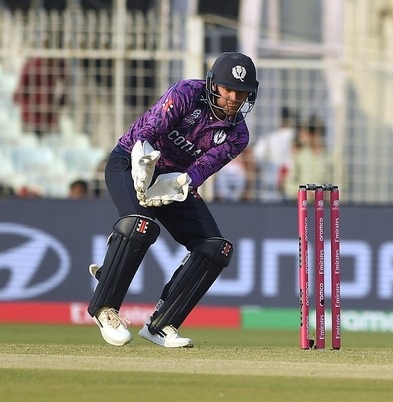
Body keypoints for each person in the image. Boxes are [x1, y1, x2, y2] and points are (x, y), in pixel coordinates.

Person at [86, 52, 259, 348]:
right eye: (228, 89)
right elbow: (147, 132)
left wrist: (181, 183)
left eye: (241, 92)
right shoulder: (187, 93)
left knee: (216, 248)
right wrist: (144, 166)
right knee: (141, 226)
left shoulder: (238, 135)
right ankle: (104, 309)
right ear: (213, 84)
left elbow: (202, 168)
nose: (233, 97)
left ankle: (162, 323)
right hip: (130, 161)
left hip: (171, 179)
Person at [282, 116, 335, 199]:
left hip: (327, 205)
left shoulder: (333, 157)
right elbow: (288, 184)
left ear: (314, 135)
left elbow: (342, 183)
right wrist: (304, 192)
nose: (302, 137)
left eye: (305, 133)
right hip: (304, 205)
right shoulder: (300, 156)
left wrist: (328, 192)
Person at [252, 106, 297, 202]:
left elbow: (255, 158)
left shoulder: (269, 138)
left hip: (270, 188)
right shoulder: (294, 136)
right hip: (291, 187)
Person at [12, 57, 67, 136]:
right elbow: (18, 94)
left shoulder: (59, 64)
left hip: (49, 117)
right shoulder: (32, 65)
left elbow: (66, 86)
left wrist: (60, 102)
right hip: (32, 117)